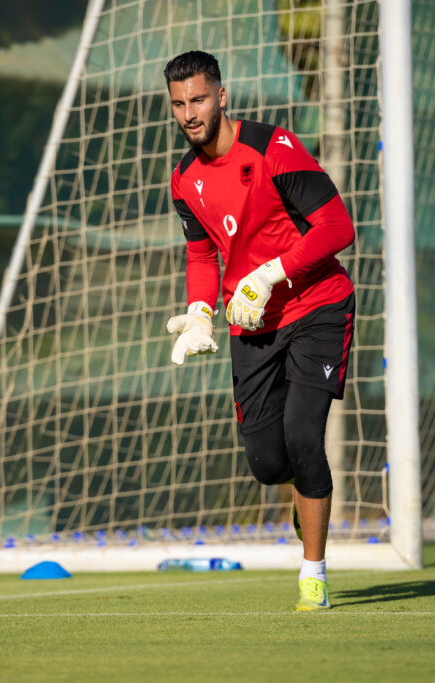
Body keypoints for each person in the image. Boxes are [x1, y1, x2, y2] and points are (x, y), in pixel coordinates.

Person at [163, 51, 355, 611]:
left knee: (304, 435)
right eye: (179, 104)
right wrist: (201, 312)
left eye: (199, 99)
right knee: (269, 464)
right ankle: (306, 497)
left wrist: (271, 274)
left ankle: (313, 575)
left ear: (221, 97)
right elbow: (202, 255)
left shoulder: (274, 148)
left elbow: (337, 226)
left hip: (318, 307)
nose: (190, 113)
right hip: (252, 325)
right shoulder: (183, 180)